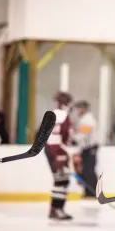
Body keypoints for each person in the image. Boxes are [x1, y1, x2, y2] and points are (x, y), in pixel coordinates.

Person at [45, 91, 81, 220]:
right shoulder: (63, 116)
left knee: (60, 180)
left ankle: (54, 209)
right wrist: (62, 156)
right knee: (62, 180)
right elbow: (58, 137)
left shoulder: (53, 114)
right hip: (56, 151)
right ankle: (57, 209)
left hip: (52, 150)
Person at [72, 100, 99, 198]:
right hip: (87, 148)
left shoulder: (87, 119)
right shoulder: (84, 119)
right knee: (86, 171)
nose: (77, 111)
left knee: (89, 170)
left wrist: (74, 137)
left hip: (90, 148)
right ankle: (89, 192)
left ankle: (92, 193)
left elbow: (84, 135)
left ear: (83, 109)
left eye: (78, 109)